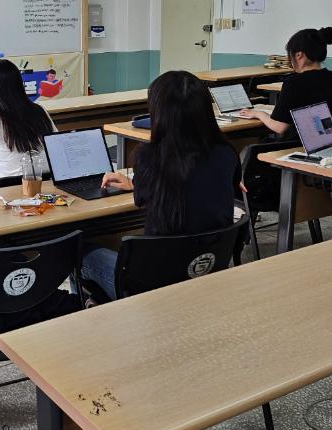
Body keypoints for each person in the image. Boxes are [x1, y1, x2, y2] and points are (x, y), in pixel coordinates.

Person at [80, 71, 241, 301]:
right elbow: (195, 184)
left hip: (153, 287)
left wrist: (138, 182)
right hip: (208, 270)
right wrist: (135, 183)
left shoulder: (150, 157)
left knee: (81, 251)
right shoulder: (226, 153)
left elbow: (142, 199)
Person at [239, 27, 332, 137]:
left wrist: (259, 114)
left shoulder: (293, 83)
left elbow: (279, 127)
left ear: (299, 55)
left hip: (301, 143)